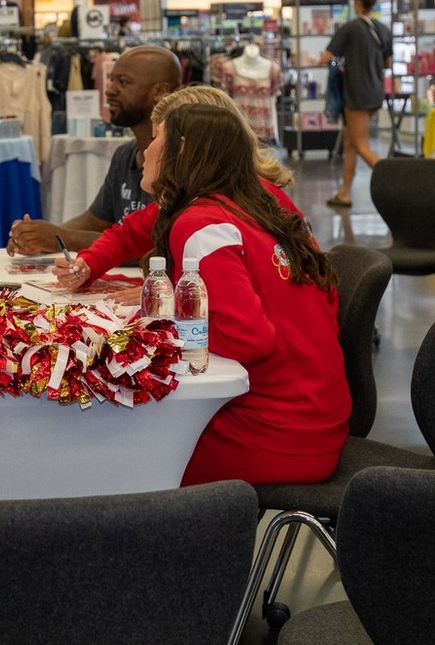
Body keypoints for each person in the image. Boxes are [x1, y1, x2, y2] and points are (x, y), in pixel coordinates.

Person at [83, 103, 349, 485]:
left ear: (183, 149)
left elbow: (249, 339)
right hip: (320, 422)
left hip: (275, 437)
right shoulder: (255, 206)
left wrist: (166, 319)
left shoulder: (200, 223)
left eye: (156, 138)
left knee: (110, 455)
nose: (144, 151)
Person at [52, 85, 301, 295]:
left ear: (188, 147)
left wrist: (174, 297)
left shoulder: (215, 215)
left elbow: (249, 309)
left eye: (157, 141)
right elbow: (129, 233)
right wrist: (89, 262)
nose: (147, 151)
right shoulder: (202, 198)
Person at [5, 44, 182, 256]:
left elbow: (156, 246)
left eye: (123, 82)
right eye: (112, 79)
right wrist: (37, 236)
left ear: (160, 92)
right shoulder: (124, 154)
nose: (109, 90)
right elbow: (95, 220)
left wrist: (59, 239)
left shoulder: (182, 161)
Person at [319, 0, 392, 208]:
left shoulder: (350, 28)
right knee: (350, 142)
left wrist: (340, 65)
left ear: (358, 3)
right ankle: (344, 193)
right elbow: (387, 63)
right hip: (375, 92)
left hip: (356, 93)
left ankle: (396, 183)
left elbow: (327, 57)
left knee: (360, 145)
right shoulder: (383, 29)